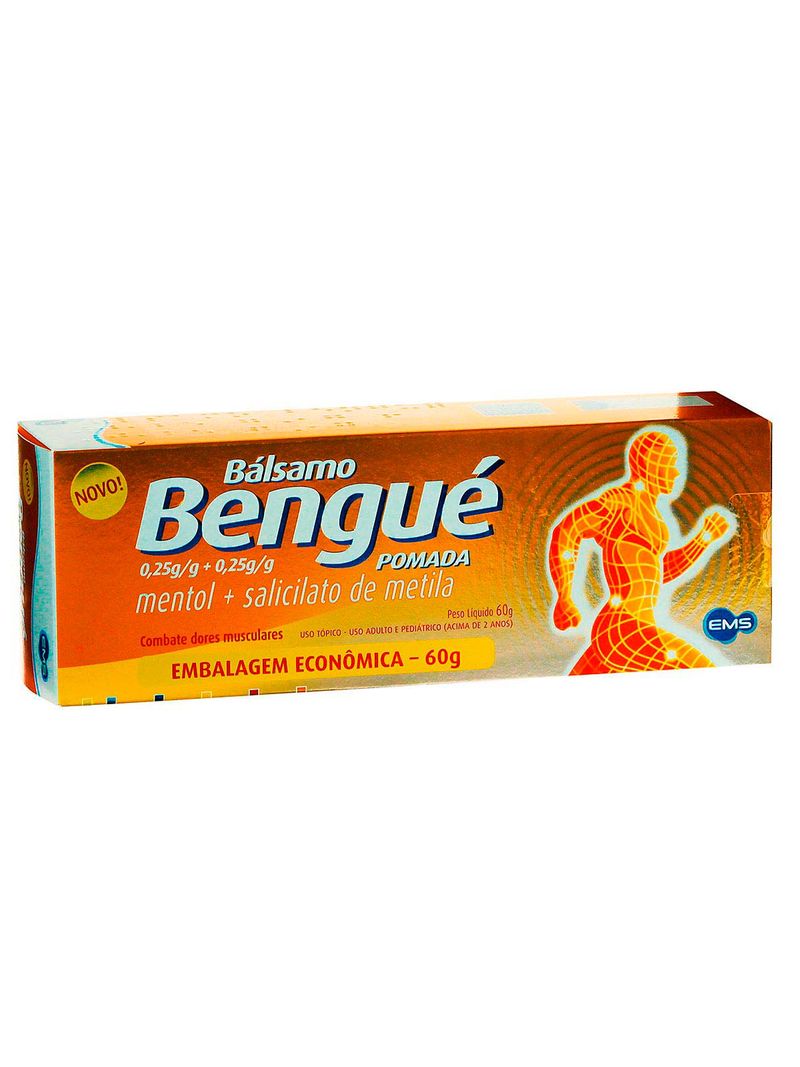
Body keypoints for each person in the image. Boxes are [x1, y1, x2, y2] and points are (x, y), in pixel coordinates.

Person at [548, 428, 732, 673]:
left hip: (627, 628)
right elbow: (568, 528)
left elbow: (658, 572)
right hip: (624, 628)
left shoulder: (655, 516)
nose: (676, 472)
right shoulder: (621, 501)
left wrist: (702, 539)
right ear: (649, 466)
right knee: (703, 669)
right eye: (669, 463)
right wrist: (565, 597)